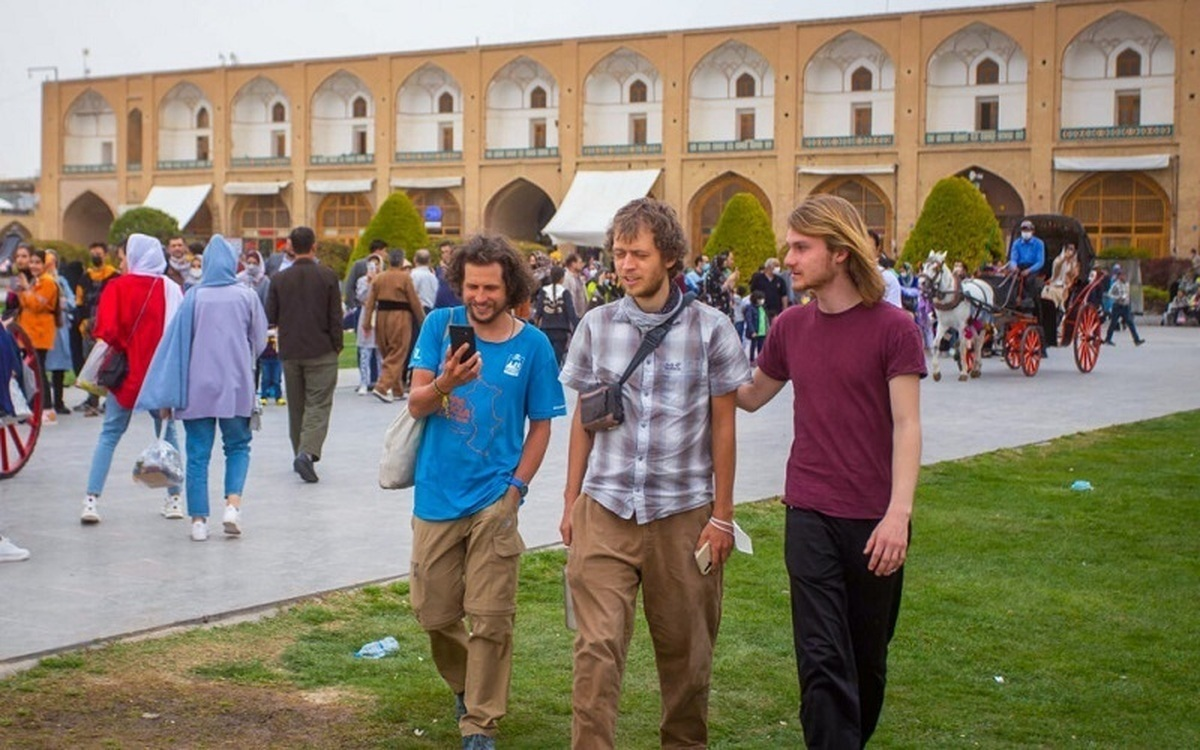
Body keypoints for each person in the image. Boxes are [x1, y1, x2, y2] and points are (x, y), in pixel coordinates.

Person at [559, 197, 750, 750]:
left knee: (687, 659)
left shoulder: (711, 328)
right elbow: (583, 420)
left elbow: (724, 428)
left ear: (668, 256)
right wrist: (571, 501)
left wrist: (722, 516)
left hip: (682, 515)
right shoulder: (596, 325)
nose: (625, 265)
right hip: (606, 509)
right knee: (595, 650)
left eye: (638, 254)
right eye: (619, 253)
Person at [735, 194, 925, 749]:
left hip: (875, 521)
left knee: (866, 662)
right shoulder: (791, 326)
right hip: (809, 511)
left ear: (840, 252)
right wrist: (693, 367)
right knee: (820, 658)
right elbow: (750, 396)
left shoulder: (895, 328)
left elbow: (908, 426)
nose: (788, 259)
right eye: (789, 248)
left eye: (801, 247)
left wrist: (898, 515)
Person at [406, 233, 566, 750]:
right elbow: (416, 404)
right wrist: (446, 382)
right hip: (436, 496)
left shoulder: (533, 346)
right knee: (434, 613)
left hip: (496, 498)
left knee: (493, 617)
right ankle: (466, 684)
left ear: (510, 286)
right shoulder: (438, 326)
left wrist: (516, 489)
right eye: (472, 286)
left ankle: (480, 722)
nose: (479, 297)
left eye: (490, 288)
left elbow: (541, 425)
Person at [138, 236, 268, 541]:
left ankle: (198, 520)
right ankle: (232, 506)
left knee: (197, 454)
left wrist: (168, 393)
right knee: (238, 446)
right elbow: (260, 341)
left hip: (197, 389)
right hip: (236, 386)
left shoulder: (193, 297)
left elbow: (176, 346)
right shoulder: (247, 296)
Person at [81, 234, 185, 524]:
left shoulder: (117, 287)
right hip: (159, 376)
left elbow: (106, 332)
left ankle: (91, 500)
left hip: (125, 375)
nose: (122, 263)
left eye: (124, 257)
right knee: (167, 434)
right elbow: (178, 333)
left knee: (109, 434)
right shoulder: (171, 289)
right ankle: (175, 499)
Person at [266, 226, 343, 483]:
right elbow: (335, 317)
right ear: (314, 246)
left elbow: (271, 316)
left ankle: (299, 451)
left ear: (290, 247)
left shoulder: (278, 279)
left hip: (290, 350)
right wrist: (337, 345)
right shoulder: (328, 276)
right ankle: (307, 453)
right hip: (321, 349)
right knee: (318, 404)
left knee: (296, 406)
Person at [362, 250, 425, 402]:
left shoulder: (379, 278)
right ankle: (382, 386)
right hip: (400, 317)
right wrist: (423, 320)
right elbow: (414, 301)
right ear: (402, 261)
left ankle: (397, 390)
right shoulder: (405, 278)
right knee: (398, 352)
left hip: (381, 317)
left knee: (387, 352)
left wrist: (366, 322)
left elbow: (370, 302)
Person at [74, 241, 120, 416]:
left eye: (98, 253)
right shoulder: (85, 277)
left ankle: (110, 400)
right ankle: (92, 399)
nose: (95, 256)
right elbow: (79, 301)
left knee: (108, 362)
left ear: (105, 255)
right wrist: (82, 321)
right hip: (89, 325)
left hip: (107, 326)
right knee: (90, 362)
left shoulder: (114, 276)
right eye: (93, 253)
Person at [15, 248, 59, 422]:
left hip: (40, 332)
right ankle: (35, 406)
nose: (33, 266)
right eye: (31, 262)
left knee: (39, 371)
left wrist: (26, 289)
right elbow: (25, 302)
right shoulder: (37, 281)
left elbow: (36, 305)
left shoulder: (48, 282)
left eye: (37, 262)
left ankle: (47, 408)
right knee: (32, 371)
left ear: (45, 264)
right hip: (29, 331)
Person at [532, 265, 577, 366]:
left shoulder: (544, 291)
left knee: (545, 359)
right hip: (561, 330)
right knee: (556, 361)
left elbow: (539, 311)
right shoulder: (565, 292)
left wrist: (535, 323)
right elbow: (571, 312)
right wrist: (576, 327)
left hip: (546, 329)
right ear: (562, 278)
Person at [353, 254, 384, 395]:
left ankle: (381, 382)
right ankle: (364, 382)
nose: (374, 267)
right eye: (371, 264)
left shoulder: (384, 279)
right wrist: (369, 283)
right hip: (366, 316)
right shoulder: (362, 280)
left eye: (377, 264)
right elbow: (361, 297)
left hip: (380, 316)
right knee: (365, 352)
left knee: (380, 353)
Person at [344, 239, 390, 314]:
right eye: (385, 251)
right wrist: (353, 306)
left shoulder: (384, 267)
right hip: (360, 307)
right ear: (378, 251)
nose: (386, 254)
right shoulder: (359, 265)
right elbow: (350, 286)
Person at [1104, 265, 1145, 347]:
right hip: (1118, 306)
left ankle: (1136, 340)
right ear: (1119, 276)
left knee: (1130, 323)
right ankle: (1108, 339)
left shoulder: (1127, 284)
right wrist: (1118, 297)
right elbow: (1109, 294)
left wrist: (1128, 301)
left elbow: (1128, 294)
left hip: (1125, 306)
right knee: (1113, 323)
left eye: (1124, 275)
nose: (1123, 277)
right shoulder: (1116, 285)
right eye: (1121, 275)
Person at [1007, 219, 1045, 306]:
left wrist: (1029, 270)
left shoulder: (1039, 243)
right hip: (1019, 267)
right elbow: (1013, 259)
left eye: (1028, 230)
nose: (1026, 233)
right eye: (1024, 230)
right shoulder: (1016, 243)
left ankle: (1028, 302)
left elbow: (1040, 262)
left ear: (1032, 231)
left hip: (1033, 268)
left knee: (1029, 281)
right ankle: (1011, 301)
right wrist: (1014, 267)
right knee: (1011, 280)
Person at [1041, 242, 1080, 311]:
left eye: (1072, 250)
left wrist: (1071, 265)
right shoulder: (1058, 260)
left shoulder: (1075, 263)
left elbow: (1074, 275)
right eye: (1069, 249)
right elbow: (1056, 269)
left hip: (1067, 285)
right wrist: (1064, 259)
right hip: (1055, 283)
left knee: (1056, 291)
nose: (1070, 251)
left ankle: (1059, 308)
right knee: (1047, 290)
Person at [434, 241, 462, 309]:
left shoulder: (459, 267)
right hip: (441, 306)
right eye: (442, 252)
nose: (445, 255)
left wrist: (447, 269)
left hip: (456, 305)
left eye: (447, 252)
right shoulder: (439, 269)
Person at [411, 248, 439, 313]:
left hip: (419, 309)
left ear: (415, 259)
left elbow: (412, 293)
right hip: (431, 309)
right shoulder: (433, 277)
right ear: (429, 261)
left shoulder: (413, 275)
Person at [745, 290, 769, 364]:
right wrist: (752, 331)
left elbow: (765, 319)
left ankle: (760, 360)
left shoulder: (762, 308)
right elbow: (749, 320)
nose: (762, 300)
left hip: (762, 331)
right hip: (755, 331)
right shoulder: (750, 308)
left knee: (761, 346)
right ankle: (752, 360)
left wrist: (767, 328)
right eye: (760, 299)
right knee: (753, 346)